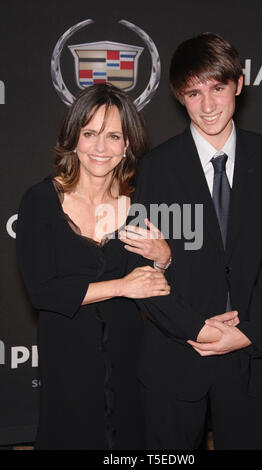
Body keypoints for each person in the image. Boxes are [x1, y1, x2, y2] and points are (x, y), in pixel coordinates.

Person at [121, 33, 262, 450]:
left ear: (238, 84)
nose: (207, 106)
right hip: (175, 357)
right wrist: (197, 330)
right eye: (194, 93)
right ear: (179, 97)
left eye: (218, 88)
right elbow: (142, 269)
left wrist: (249, 333)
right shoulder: (154, 169)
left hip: (250, 359)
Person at [16, 83, 174, 450]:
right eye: (90, 133)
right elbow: (43, 292)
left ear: (127, 146)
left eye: (114, 136)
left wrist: (164, 257)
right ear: (73, 138)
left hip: (130, 362)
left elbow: (157, 288)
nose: (101, 148)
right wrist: (121, 286)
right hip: (67, 363)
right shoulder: (40, 201)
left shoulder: (140, 207)